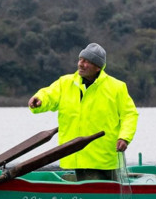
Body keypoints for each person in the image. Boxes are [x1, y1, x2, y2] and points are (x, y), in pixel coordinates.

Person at [28, 42, 138, 181]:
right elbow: (49, 94)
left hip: (106, 155)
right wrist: (39, 100)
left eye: (87, 61)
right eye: (80, 59)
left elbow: (130, 114)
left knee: (108, 193)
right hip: (76, 155)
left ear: (98, 67)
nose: (81, 64)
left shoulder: (117, 87)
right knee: (97, 193)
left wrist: (124, 138)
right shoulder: (65, 83)